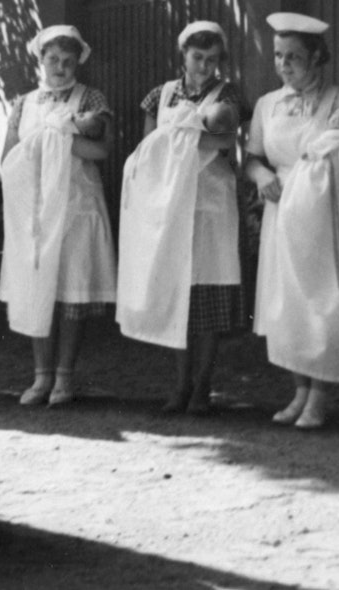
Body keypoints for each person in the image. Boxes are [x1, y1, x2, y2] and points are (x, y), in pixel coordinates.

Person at [244, 12, 339, 430]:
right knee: (289, 304)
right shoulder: (267, 104)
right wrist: (261, 176)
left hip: (324, 212)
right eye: (278, 55)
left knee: (320, 300)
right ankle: (299, 391)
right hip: (281, 209)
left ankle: (319, 396)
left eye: (293, 56)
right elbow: (252, 157)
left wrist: (333, 156)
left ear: (315, 57)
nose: (284, 64)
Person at [116, 21, 244, 415]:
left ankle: (203, 385)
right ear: (183, 55)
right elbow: (148, 148)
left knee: (208, 294)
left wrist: (177, 138)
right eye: (197, 57)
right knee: (177, 295)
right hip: (168, 205)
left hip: (208, 204)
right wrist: (184, 139)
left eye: (212, 59)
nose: (204, 66)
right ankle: (180, 383)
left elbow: (225, 140)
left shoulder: (227, 94)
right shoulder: (161, 95)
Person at [0, 24, 117, 407]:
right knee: (39, 289)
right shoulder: (24, 103)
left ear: (77, 62)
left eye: (68, 61)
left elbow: (101, 150)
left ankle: (64, 376)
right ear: (41, 60)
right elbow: (10, 157)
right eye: (53, 60)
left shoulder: (90, 98)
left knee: (70, 292)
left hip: (76, 207)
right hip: (35, 210)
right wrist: (44, 144)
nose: (60, 67)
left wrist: (58, 138)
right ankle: (41, 375)